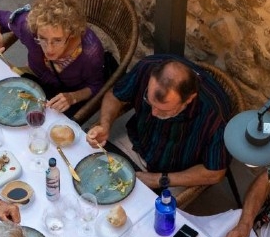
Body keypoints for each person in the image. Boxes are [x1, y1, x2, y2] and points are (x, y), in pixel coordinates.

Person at [85, 55, 232, 192]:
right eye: (149, 102)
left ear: (189, 99)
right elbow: (115, 96)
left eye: (164, 110)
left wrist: (160, 179)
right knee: (90, 174)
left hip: (176, 173)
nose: (154, 113)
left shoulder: (214, 116)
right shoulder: (146, 68)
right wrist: (105, 124)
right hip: (135, 141)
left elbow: (215, 172)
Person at [0, 0, 109, 116]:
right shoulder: (28, 27)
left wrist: (73, 97)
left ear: (71, 34)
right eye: (42, 38)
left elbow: (95, 85)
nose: (49, 49)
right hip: (33, 75)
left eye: (58, 40)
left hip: (66, 94)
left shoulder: (90, 53)